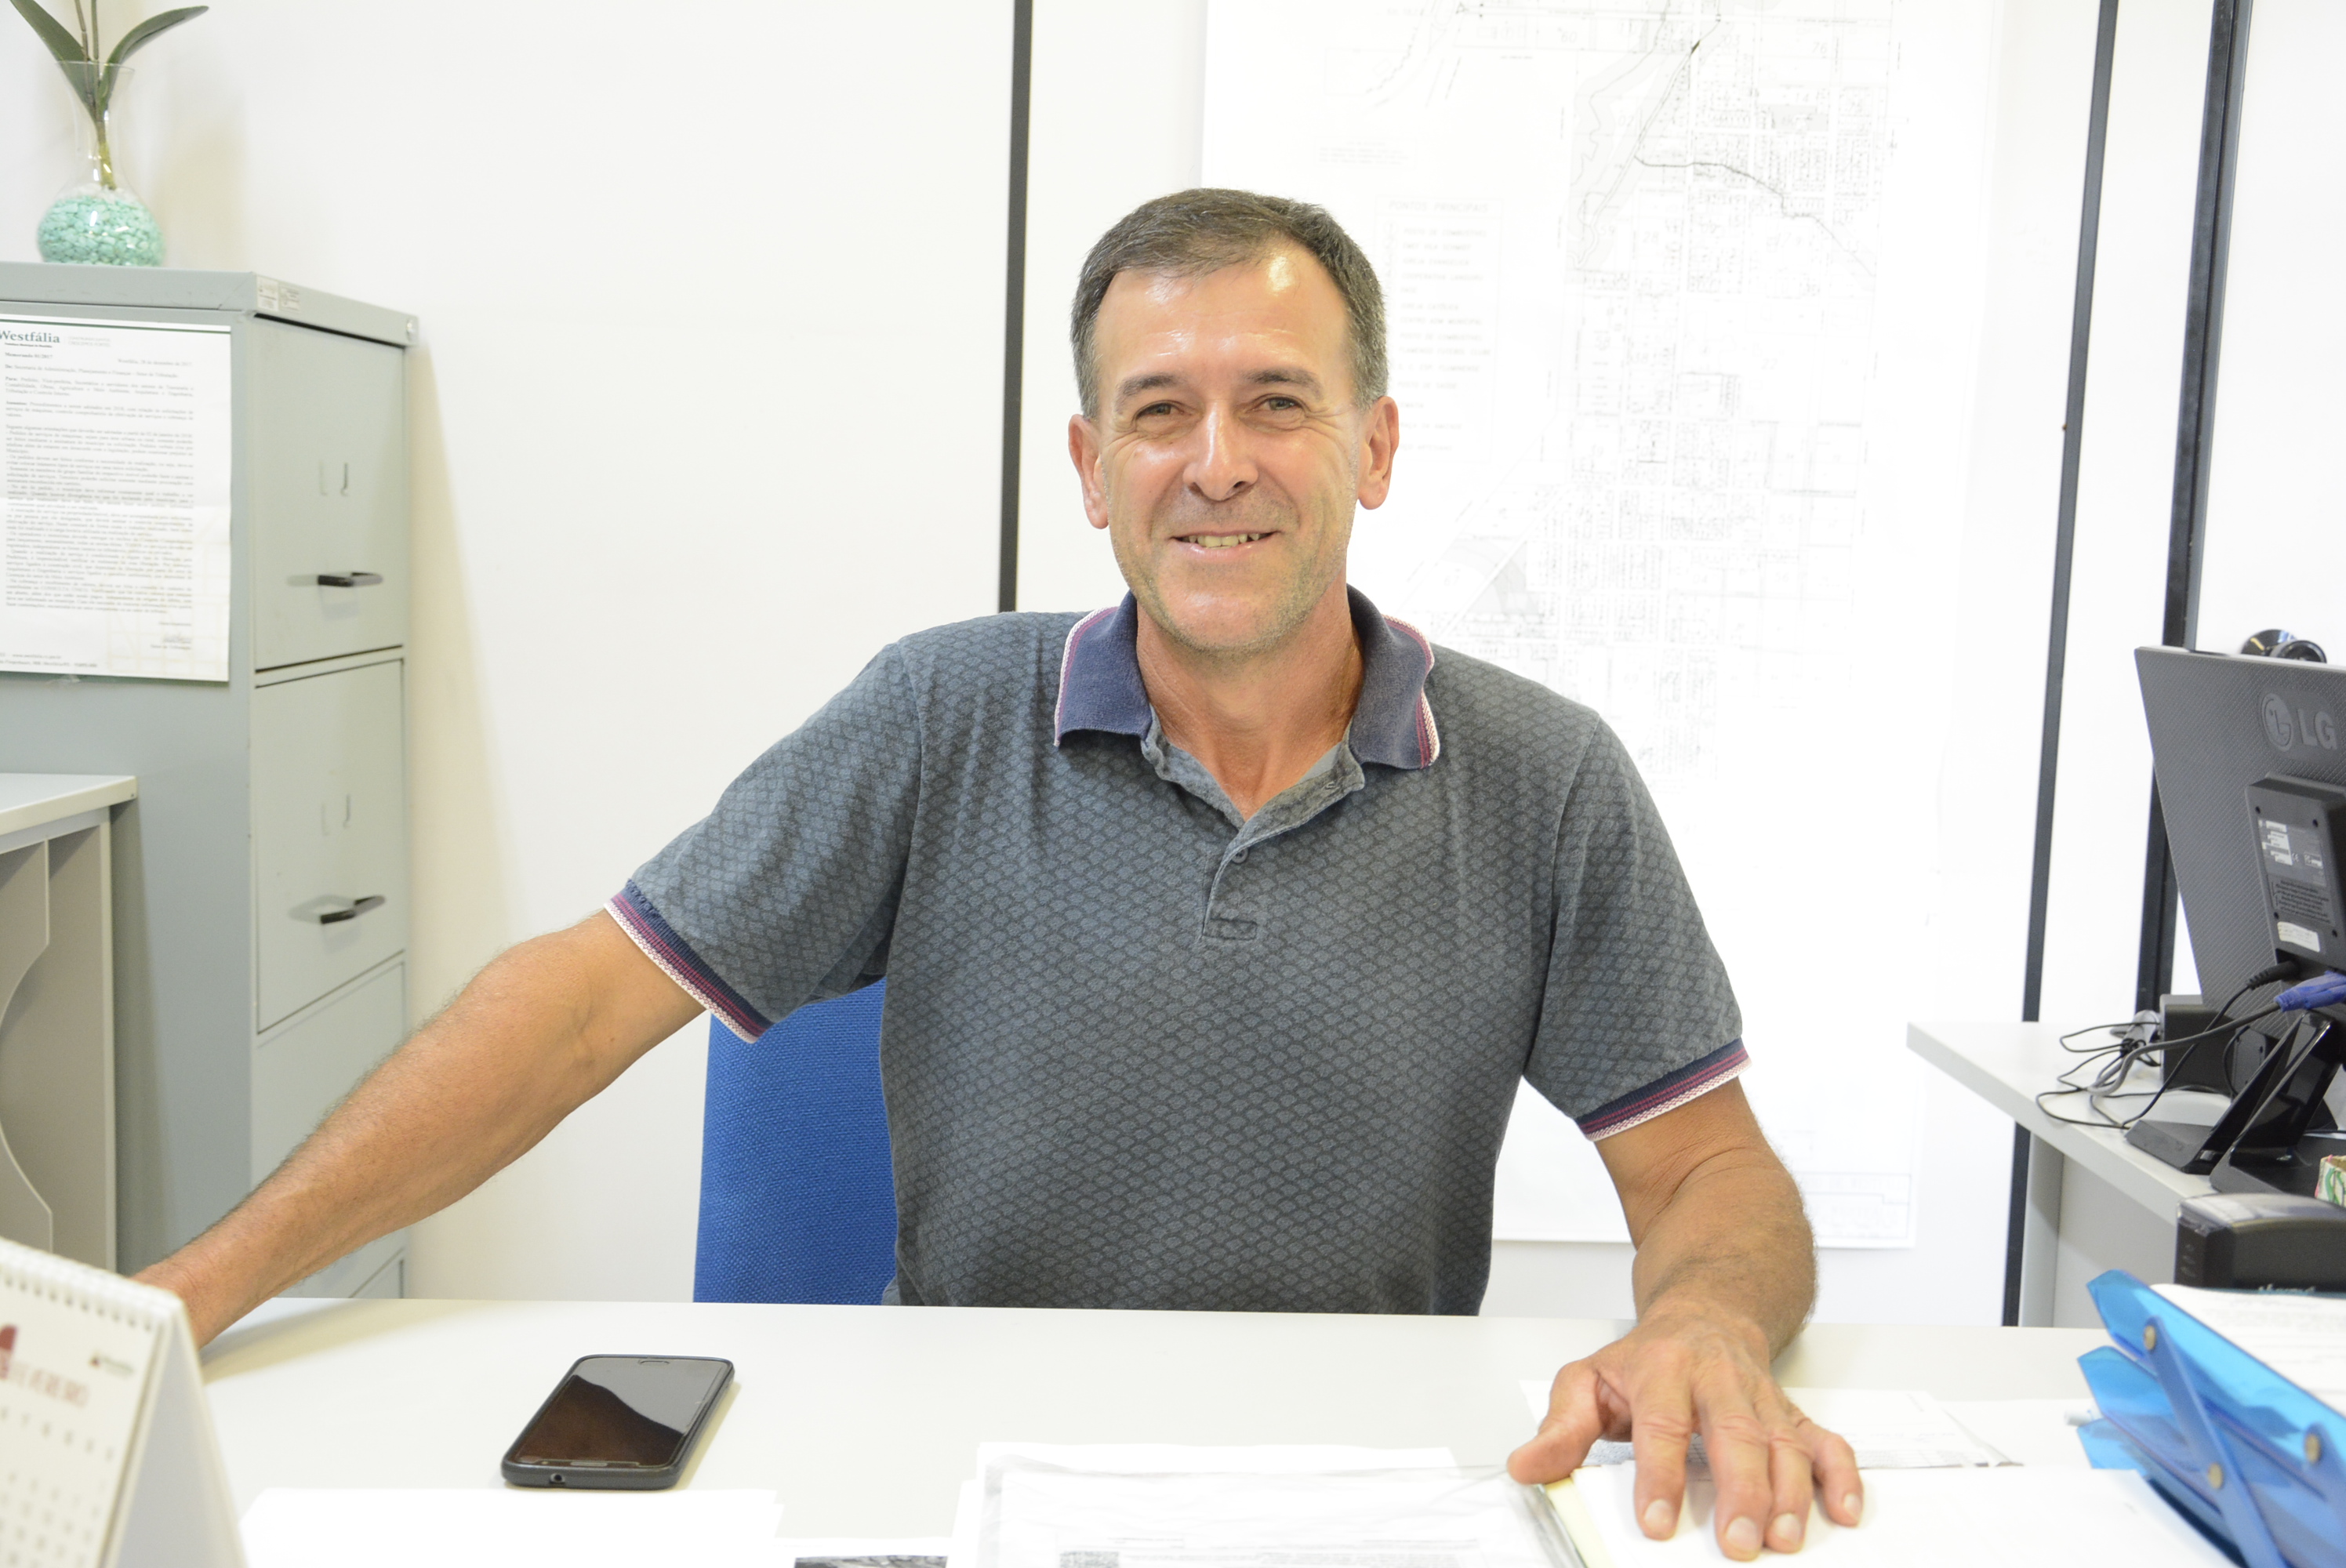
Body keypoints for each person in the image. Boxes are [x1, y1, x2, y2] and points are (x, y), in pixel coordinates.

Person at [141, 189, 1859, 1559]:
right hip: (965, 1472)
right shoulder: (939, 714)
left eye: (1277, 403)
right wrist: (199, 1287)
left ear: (1377, 447)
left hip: (1358, 1487)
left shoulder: (1544, 775)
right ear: (1093, 469)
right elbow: (579, 1006)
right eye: (1158, 412)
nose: (1217, 462)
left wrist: (1707, 1322)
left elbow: (1709, 1169)